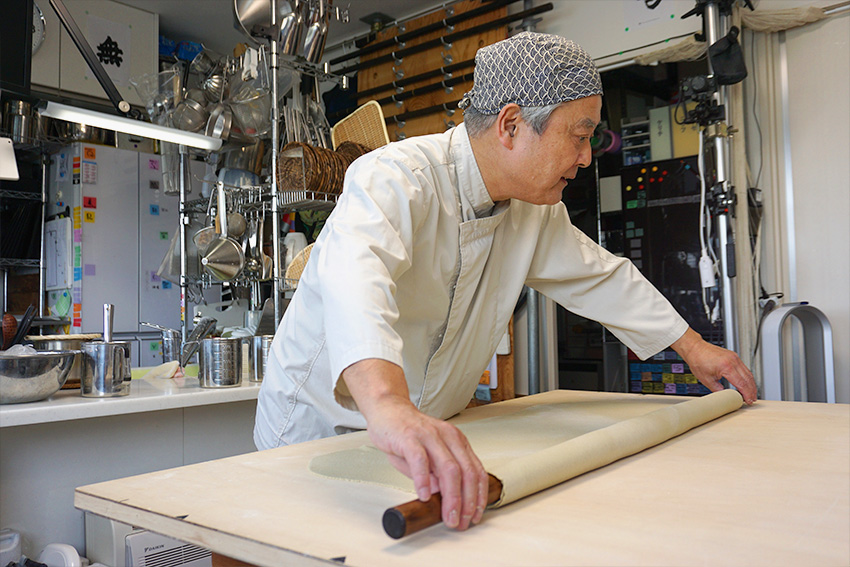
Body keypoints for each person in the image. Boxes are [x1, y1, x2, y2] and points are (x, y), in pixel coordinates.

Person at [255, 32, 757, 532]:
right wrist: (389, 406)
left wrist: (695, 349)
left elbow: (603, 278)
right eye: (579, 136)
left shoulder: (531, 211)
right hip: (318, 431)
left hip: (421, 437)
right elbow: (356, 283)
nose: (585, 158)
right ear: (512, 125)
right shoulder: (395, 177)